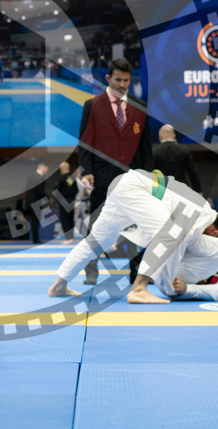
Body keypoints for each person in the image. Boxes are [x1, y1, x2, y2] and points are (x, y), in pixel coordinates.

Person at [48, 169, 218, 304]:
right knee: (169, 233)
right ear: (216, 233)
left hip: (124, 184)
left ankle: (59, 285)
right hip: (135, 187)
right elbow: (174, 240)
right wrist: (172, 284)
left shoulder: (198, 207)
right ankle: (139, 289)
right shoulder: (202, 213)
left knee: (97, 241)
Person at [77, 57, 154, 284]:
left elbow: (146, 147)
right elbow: (85, 142)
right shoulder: (93, 106)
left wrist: (147, 177)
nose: (122, 84)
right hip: (102, 177)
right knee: (97, 227)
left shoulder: (140, 107)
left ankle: (135, 273)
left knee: (135, 227)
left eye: (126, 80)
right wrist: (86, 170)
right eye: (118, 79)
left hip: (133, 179)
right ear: (108, 78)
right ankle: (91, 269)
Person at [154, 124, 201, 192]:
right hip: (182, 190)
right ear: (174, 135)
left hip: (162, 191)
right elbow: (193, 172)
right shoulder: (184, 150)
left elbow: (152, 175)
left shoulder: (155, 152)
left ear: (160, 137)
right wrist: (198, 190)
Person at [19, 162, 49, 244]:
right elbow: (40, 192)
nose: (47, 170)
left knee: (32, 221)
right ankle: (36, 239)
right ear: (42, 168)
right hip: (36, 203)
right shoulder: (41, 178)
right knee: (36, 222)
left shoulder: (31, 177)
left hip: (29, 203)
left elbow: (27, 190)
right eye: (46, 169)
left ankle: (34, 238)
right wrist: (47, 198)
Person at [53, 161, 79, 241]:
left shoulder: (61, 179)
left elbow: (56, 192)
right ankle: (71, 237)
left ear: (62, 169)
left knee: (65, 219)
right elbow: (76, 190)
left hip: (63, 201)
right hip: (71, 201)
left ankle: (68, 238)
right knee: (70, 219)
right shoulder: (70, 179)